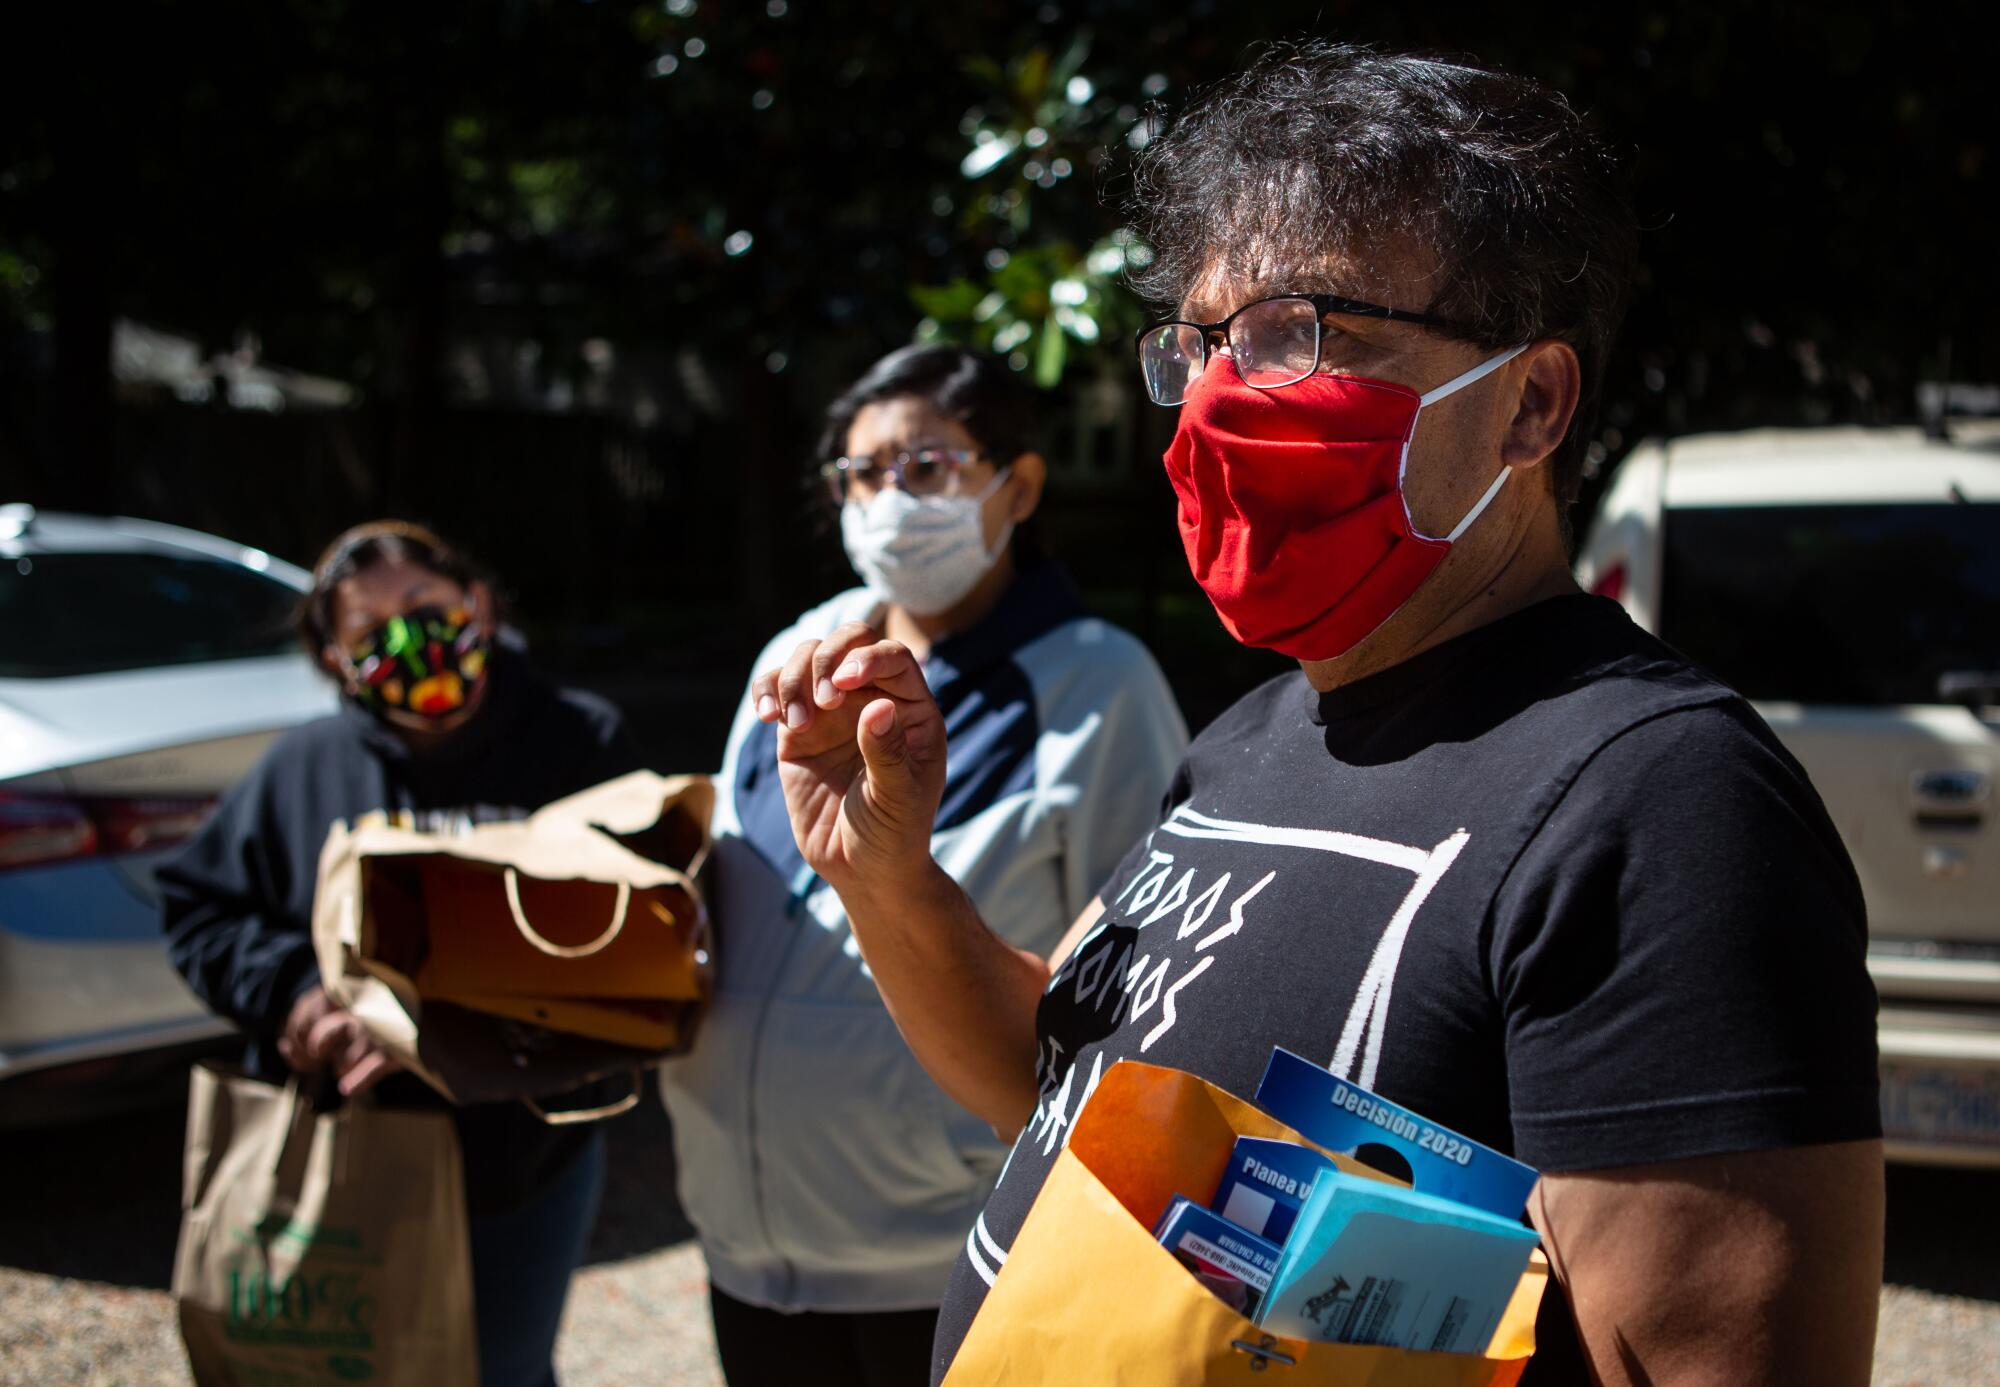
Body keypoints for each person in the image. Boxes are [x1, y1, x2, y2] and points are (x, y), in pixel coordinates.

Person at [749, 45, 1884, 1387]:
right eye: (1204, 344)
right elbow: (1055, 1082)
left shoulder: (1664, 803)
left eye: (1305, 332)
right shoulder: (1250, 738)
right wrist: (882, 871)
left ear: (1529, 401)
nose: (1224, 400)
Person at [659, 344, 1188, 1386]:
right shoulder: (796, 660)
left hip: (952, 1260)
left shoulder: (1096, 684)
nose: (888, 498)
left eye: (928, 467)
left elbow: (1144, 996)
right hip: (747, 1244)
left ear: (1018, 484)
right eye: (861, 474)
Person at [159, 520, 646, 1387]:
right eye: (368, 626)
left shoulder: (580, 741)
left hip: (519, 1159)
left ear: (480, 606)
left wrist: (431, 1022)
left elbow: (638, 934)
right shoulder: (303, 767)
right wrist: (302, 995)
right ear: (335, 659)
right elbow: (201, 909)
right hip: (350, 1157)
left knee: (499, 1370)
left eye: (423, 604)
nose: (407, 636)